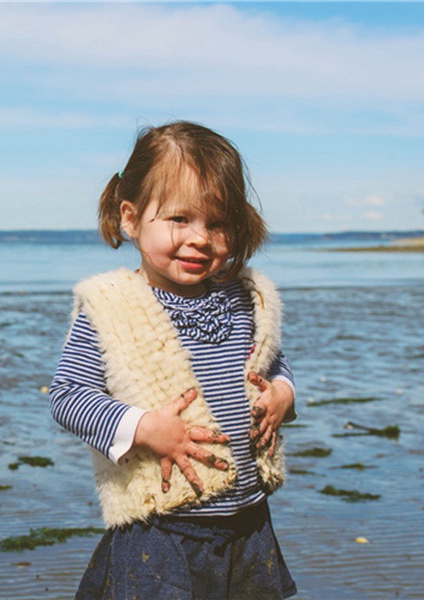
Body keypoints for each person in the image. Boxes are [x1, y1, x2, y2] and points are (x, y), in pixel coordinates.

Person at [50, 121, 297, 599]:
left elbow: (272, 364)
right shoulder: (112, 307)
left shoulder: (244, 299)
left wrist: (283, 393)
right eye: (180, 219)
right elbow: (67, 397)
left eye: (217, 222)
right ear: (131, 218)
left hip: (249, 524)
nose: (201, 238)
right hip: (160, 530)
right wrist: (143, 427)